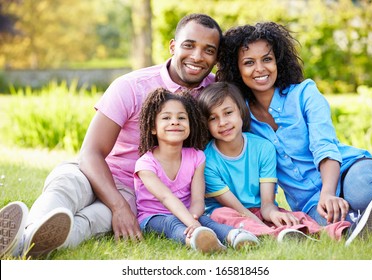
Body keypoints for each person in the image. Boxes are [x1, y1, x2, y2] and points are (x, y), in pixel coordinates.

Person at [0, 13, 224, 259]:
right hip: (93, 171)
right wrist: (118, 206)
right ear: (172, 46)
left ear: (216, 58)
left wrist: (122, 206)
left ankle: (24, 247)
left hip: (131, 189)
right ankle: (27, 236)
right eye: (189, 45)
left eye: (208, 50)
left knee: (93, 221)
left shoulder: (213, 97)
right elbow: (90, 153)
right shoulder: (130, 86)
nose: (197, 56)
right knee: (64, 187)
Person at [215, 22, 372, 246]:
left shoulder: (305, 93)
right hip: (308, 201)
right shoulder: (240, 117)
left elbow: (324, 146)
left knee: (364, 193)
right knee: (331, 225)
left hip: (349, 170)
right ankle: (366, 224)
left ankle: (366, 216)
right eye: (249, 63)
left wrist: (328, 193)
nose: (260, 69)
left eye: (267, 59)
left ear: (278, 61)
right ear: (236, 69)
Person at [197, 81, 350, 242]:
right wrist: (264, 226)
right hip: (229, 213)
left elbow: (267, 205)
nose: (222, 122)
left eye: (228, 113)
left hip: (259, 210)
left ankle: (335, 232)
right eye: (213, 118)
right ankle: (274, 235)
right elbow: (238, 209)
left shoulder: (263, 148)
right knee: (223, 215)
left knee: (292, 216)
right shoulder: (206, 160)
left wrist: (273, 215)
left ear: (241, 112)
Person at [134, 88, 258, 253]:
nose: (175, 122)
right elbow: (166, 198)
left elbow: (198, 200)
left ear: (190, 125)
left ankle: (234, 236)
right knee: (171, 223)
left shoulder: (197, 157)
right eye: (166, 118)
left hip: (188, 212)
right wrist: (191, 223)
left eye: (181, 118)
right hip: (154, 217)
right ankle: (196, 239)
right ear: (153, 128)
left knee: (207, 221)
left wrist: (194, 216)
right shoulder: (145, 164)